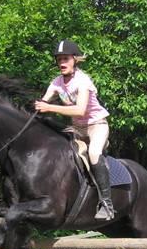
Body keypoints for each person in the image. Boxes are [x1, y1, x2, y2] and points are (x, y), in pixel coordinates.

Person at [35, 39, 115, 221]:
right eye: (59, 59)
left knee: (94, 154)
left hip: (96, 126)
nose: (62, 63)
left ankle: (107, 205)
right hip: (77, 129)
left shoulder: (83, 81)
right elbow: (44, 101)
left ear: (75, 60)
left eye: (66, 59)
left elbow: (80, 110)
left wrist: (50, 108)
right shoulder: (56, 82)